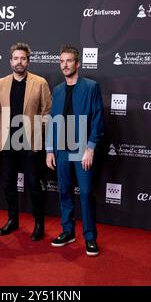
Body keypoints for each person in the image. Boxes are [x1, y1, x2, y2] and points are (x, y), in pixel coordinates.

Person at [46, 46, 104, 256]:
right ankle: (68, 231)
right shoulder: (58, 90)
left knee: (86, 193)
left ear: (77, 63)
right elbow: (53, 121)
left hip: (82, 150)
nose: (65, 65)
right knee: (64, 192)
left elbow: (97, 118)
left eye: (69, 61)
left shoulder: (91, 87)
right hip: (61, 149)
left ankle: (90, 237)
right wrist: (50, 149)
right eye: (62, 61)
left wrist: (90, 148)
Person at [0, 43, 52, 241]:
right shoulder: (0, 83)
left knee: (34, 184)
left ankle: (39, 223)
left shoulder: (40, 82)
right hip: (8, 142)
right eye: (16, 58)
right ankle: (12, 220)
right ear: (10, 61)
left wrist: (38, 133)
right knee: (8, 183)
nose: (19, 62)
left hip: (31, 142)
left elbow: (47, 113)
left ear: (28, 60)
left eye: (23, 58)